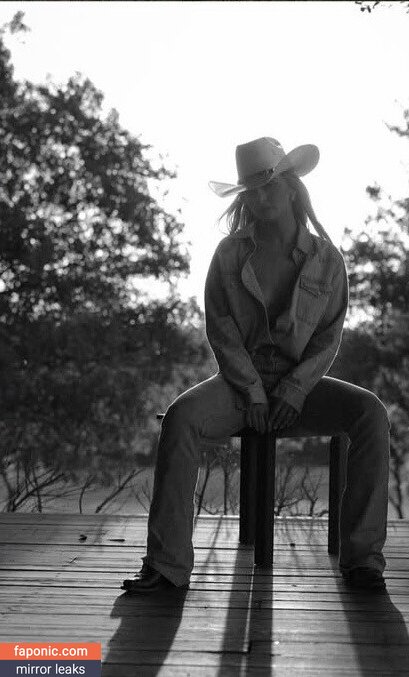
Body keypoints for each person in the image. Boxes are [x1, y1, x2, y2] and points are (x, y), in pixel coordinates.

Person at [121, 137, 390, 595]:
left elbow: (328, 339)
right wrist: (254, 393)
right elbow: (222, 332)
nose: (261, 198)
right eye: (252, 191)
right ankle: (165, 567)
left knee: (370, 412)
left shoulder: (327, 260)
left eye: (269, 187)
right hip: (238, 386)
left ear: (291, 188)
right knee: (181, 416)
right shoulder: (228, 254)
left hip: (302, 388)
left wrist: (293, 391)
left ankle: (363, 562)